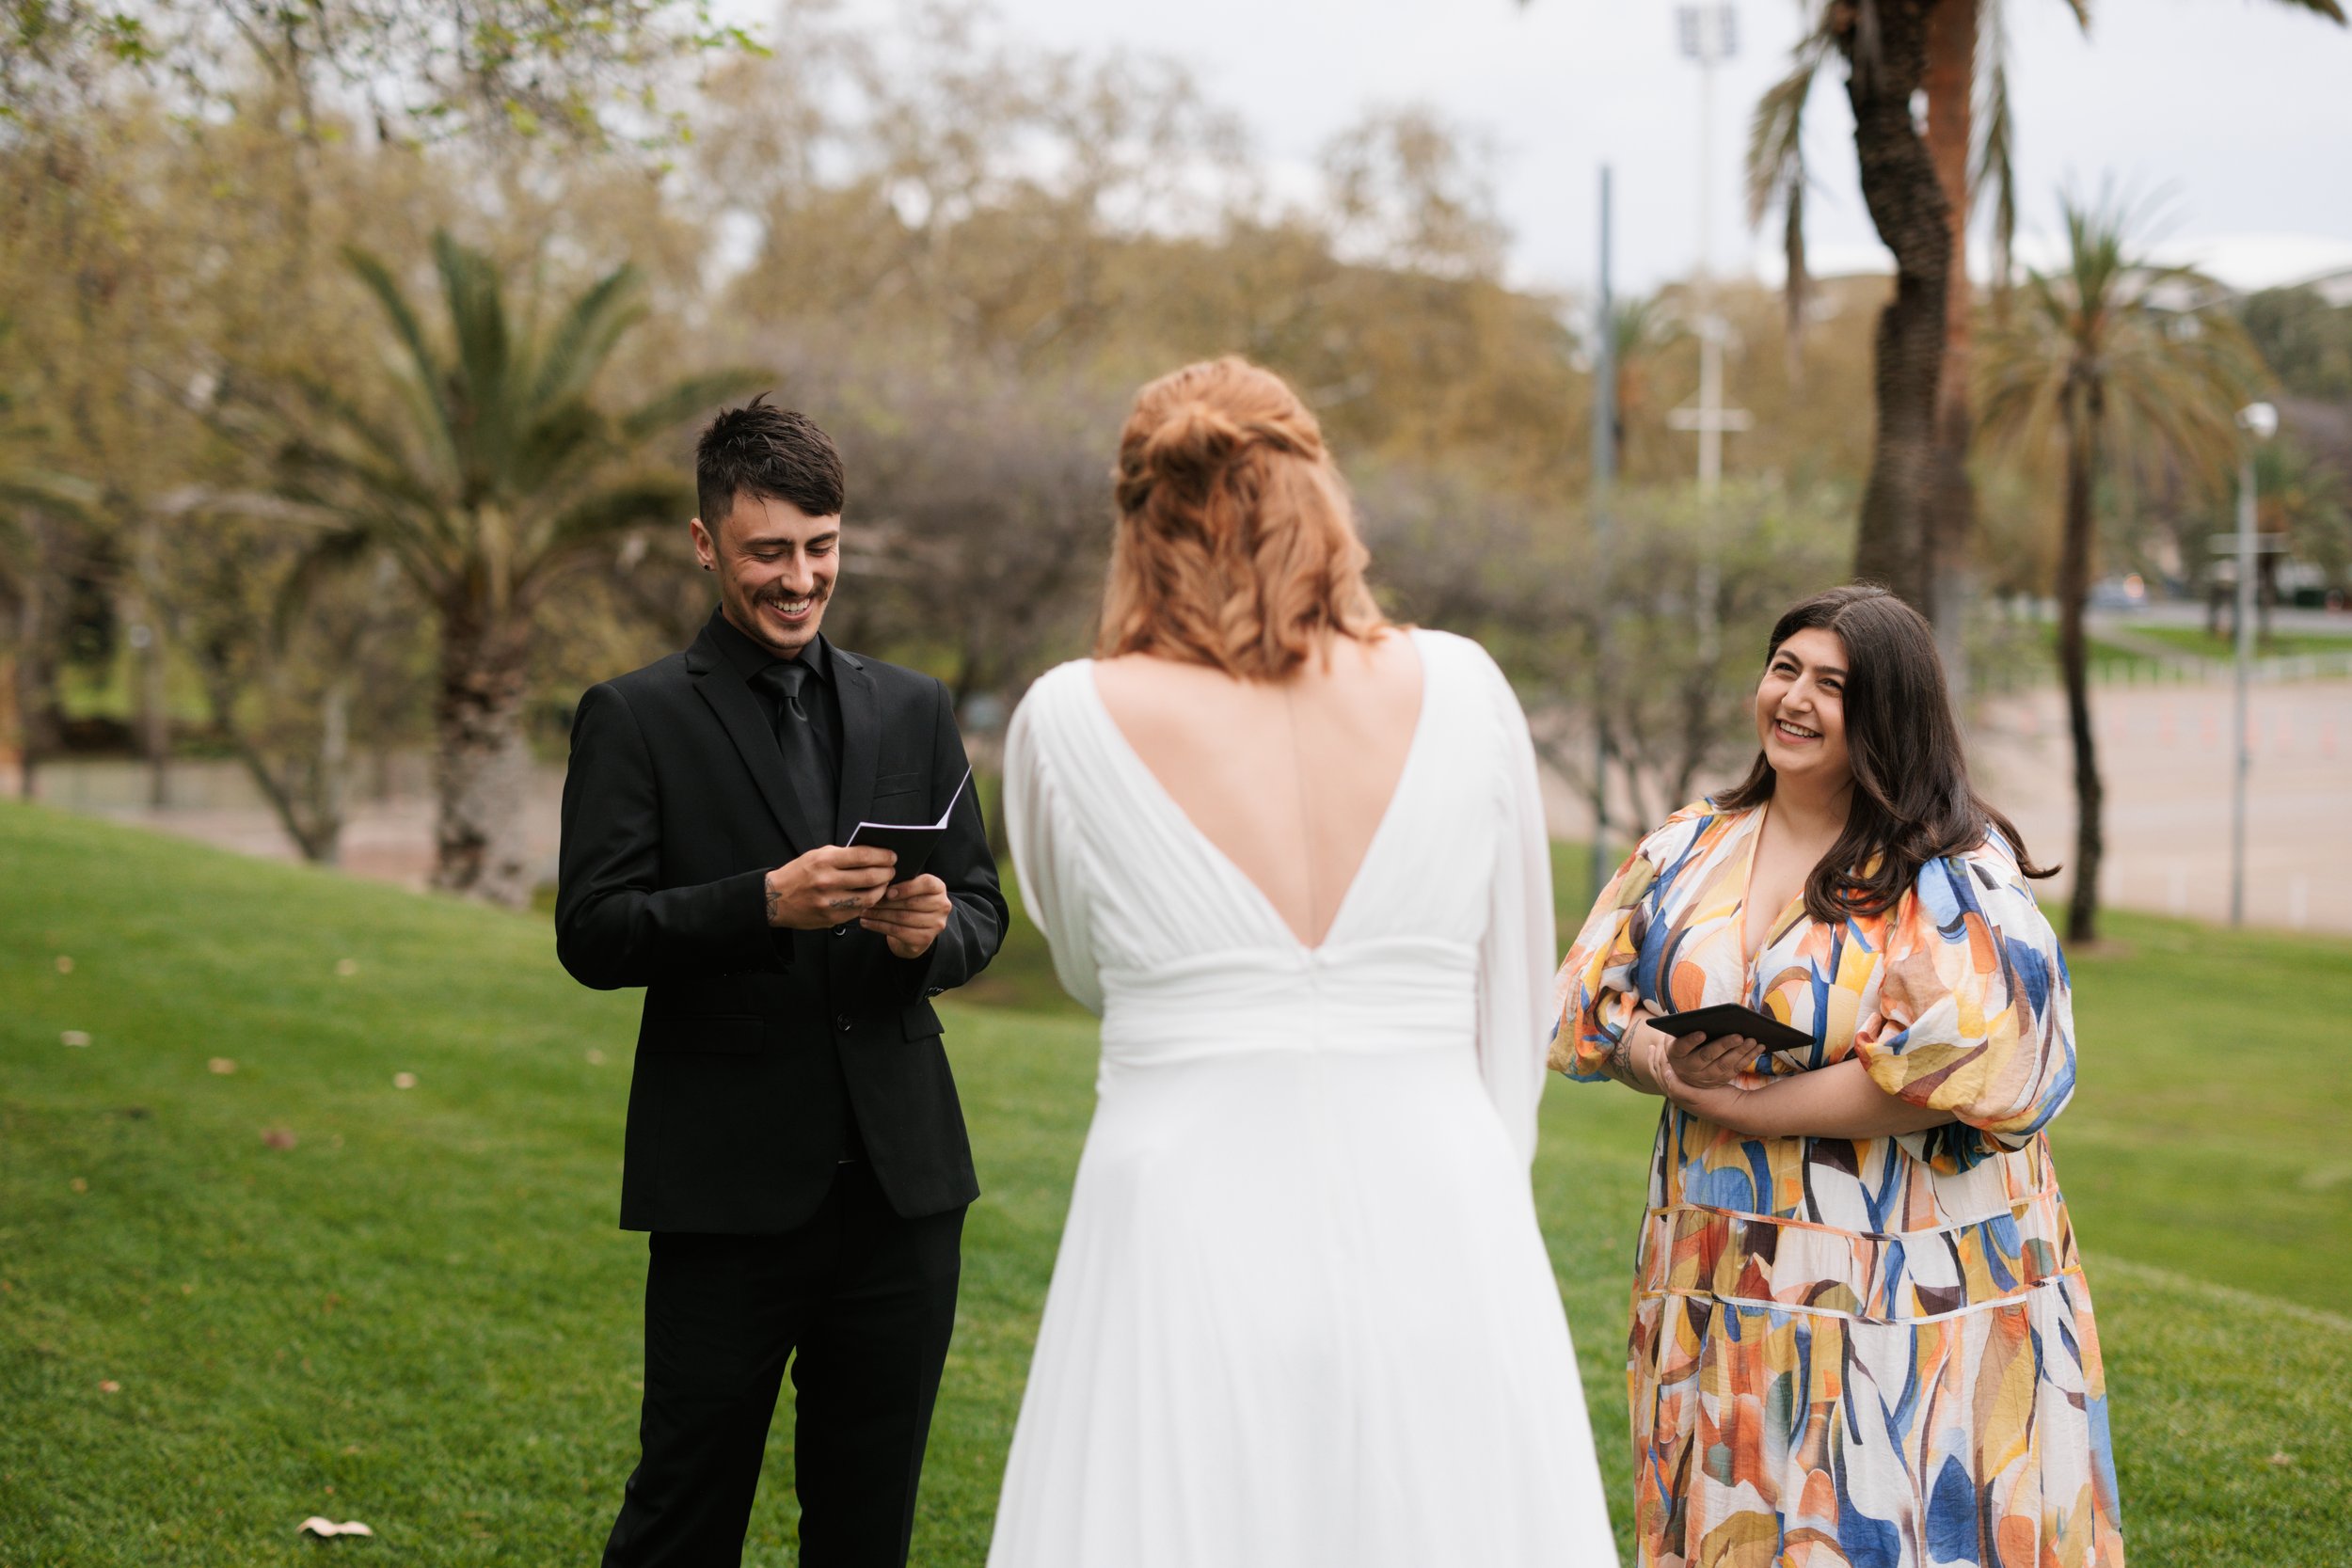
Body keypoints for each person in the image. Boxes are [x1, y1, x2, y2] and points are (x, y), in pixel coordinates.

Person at [991, 356, 1618, 1568]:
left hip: (1178, 1215)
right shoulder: (1468, 687)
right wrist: (1484, 1174)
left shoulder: (1066, 715)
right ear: (1319, 490)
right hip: (1442, 1200)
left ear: (1139, 519)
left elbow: (1086, 964)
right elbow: (1512, 985)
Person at [1553, 584, 2122, 1568]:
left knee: (1878, 1504)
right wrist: (1663, 1057)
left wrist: (1744, 1103)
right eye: (1785, 669)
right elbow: (1587, 1009)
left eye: (1834, 685)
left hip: (1900, 1270)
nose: (1797, 699)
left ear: (1889, 712)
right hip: (1719, 1257)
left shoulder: (1950, 870)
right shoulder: (1690, 844)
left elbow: (1969, 1064)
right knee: (1740, 1504)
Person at [555, 395, 1008, 1568]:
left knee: (866, 1530)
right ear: (707, 545)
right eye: (769, 552)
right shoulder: (634, 716)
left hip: (905, 1197)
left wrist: (929, 934)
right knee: (681, 1513)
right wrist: (761, 901)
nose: (800, 579)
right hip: (726, 1194)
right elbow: (594, 933)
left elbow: (981, 906)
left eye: (822, 547)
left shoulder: (914, 703)